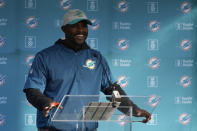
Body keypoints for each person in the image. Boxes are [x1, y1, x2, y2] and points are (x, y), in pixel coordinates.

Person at [23, 9, 151, 131]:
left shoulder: (96, 57)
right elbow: (32, 89)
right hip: (53, 128)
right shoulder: (46, 57)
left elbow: (113, 90)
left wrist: (133, 109)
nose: (80, 30)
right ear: (64, 29)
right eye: (75, 25)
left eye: (84, 26)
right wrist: (44, 102)